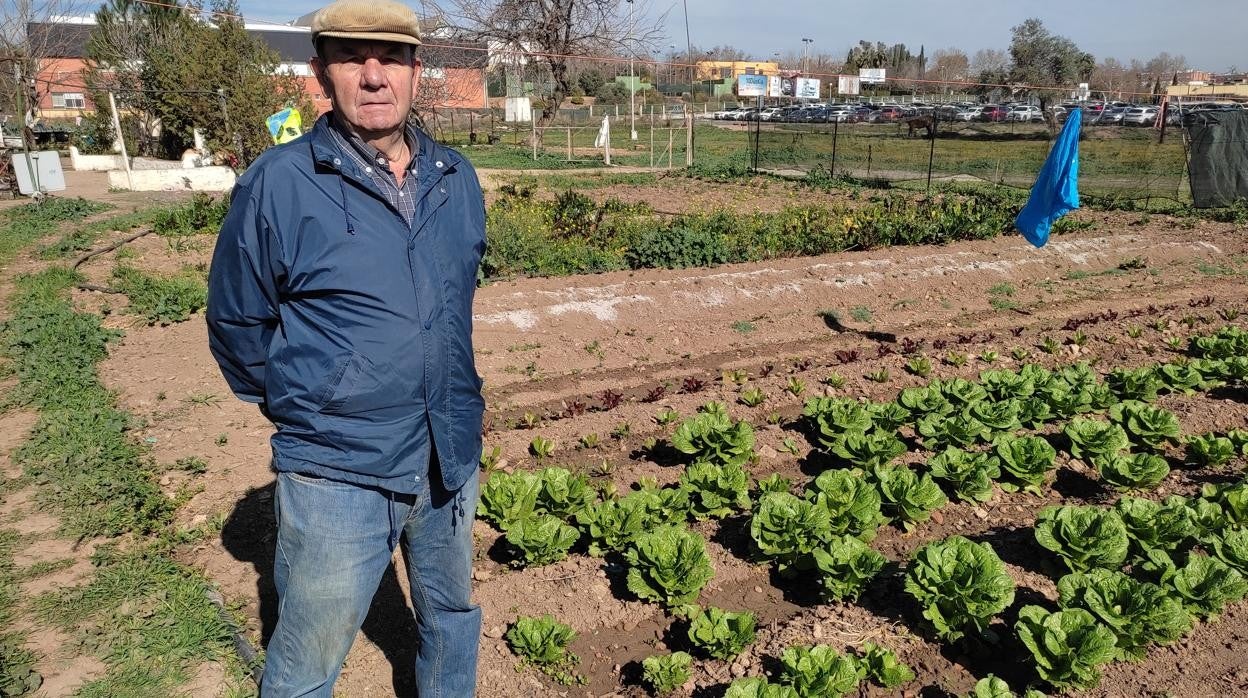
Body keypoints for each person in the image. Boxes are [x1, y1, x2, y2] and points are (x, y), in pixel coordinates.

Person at [205, 0, 486, 694]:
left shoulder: (456, 178)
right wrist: (312, 402)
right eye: (351, 58)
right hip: (337, 467)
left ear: (417, 71)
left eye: (391, 57)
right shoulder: (282, 182)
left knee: (451, 615)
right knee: (308, 660)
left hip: (447, 451)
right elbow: (237, 322)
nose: (373, 75)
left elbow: (456, 300)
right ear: (319, 73)